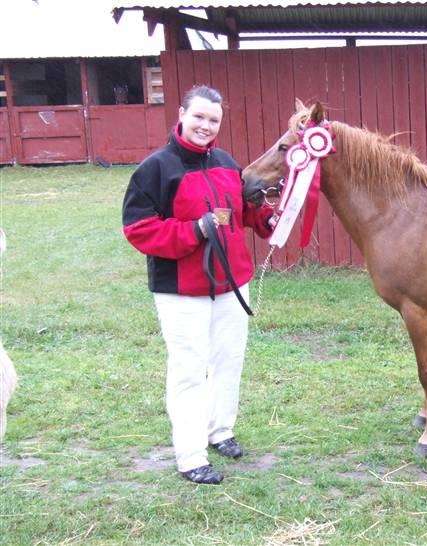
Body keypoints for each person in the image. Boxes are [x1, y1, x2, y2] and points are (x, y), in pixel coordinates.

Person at [122, 85, 277, 485]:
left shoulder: (226, 163)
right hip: (180, 289)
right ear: (182, 114)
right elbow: (139, 229)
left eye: (214, 120)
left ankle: (219, 430)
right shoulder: (156, 169)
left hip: (231, 282)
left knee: (228, 361)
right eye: (200, 117)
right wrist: (193, 231)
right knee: (189, 370)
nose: (206, 126)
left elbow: (243, 215)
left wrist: (263, 213)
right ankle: (191, 455)